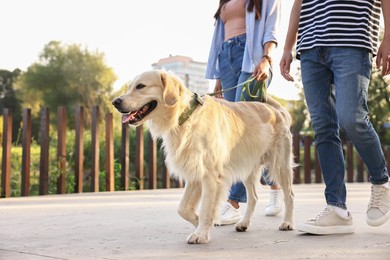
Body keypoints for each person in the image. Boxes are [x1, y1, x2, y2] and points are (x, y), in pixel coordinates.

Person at [280, 0, 390, 234]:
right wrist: (287, 47)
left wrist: (388, 37)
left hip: (352, 39)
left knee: (353, 117)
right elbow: (298, 3)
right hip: (310, 46)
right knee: (323, 128)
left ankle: (381, 182)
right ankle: (337, 209)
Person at [205, 0, 282, 225]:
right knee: (231, 133)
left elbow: (271, 26)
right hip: (227, 58)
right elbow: (220, 37)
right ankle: (275, 184)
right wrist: (219, 77)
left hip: (251, 55)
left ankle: (234, 203)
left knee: (242, 131)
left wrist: (267, 59)